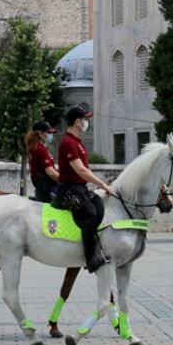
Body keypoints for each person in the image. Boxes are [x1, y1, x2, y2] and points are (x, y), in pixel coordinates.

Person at [50, 105, 115, 273]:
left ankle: (92, 243)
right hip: (69, 189)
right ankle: (90, 258)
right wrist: (103, 184)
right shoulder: (68, 143)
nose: (87, 123)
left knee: (98, 205)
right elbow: (81, 170)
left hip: (80, 187)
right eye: (85, 119)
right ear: (78, 122)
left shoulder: (77, 142)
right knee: (90, 213)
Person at [27, 119, 60, 203]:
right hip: (48, 188)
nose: (51, 135)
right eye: (48, 132)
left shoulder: (35, 147)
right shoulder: (40, 149)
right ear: (40, 133)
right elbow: (51, 172)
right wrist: (65, 181)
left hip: (42, 188)